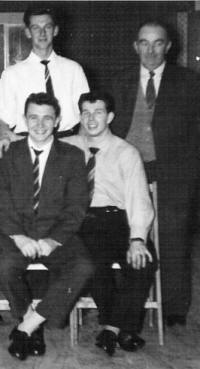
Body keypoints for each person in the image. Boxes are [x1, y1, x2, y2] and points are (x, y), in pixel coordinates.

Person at [109, 20, 200, 327]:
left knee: (172, 239)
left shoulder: (188, 82)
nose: (150, 50)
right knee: (127, 236)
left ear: (168, 46)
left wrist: (186, 176)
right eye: (144, 43)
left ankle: (174, 309)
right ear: (136, 46)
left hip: (173, 174)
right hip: (128, 171)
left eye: (157, 43)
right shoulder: (119, 81)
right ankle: (126, 305)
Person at [0, 92, 93, 361]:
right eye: (33, 117)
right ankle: (31, 324)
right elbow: (0, 202)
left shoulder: (72, 156)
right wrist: (19, 237)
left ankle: (27, 326)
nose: (40, 124)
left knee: (83, 266)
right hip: (15, 233)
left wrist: (53, 240)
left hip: (56, 233)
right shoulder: (8, 154)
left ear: (57, 121)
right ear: (24, 120)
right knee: (2, 266)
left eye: (47, 118)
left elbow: (76, 207)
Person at [63, 91, 156, 355]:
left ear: (111, 116)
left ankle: (112, 328)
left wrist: (138, 239)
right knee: (95, 262)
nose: (91, 119)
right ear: (79, 116)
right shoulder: (66, 147)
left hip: (120, 219)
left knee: (142, 262)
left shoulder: (126, 152)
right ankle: (125, 331)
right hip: (85, 220)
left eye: (99, 112)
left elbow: (139, 197)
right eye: (86, 113)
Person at [0, 6, 89, 159]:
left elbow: (86, 113)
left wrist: (81, 145)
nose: (42, 33)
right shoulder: (11, 74)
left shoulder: (74, 70)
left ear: (56, 30)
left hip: (68, 145)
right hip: (27, 147)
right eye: (36, 28)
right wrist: (5, 136)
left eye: (47, 27)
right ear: (27, 32)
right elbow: (3, 121)